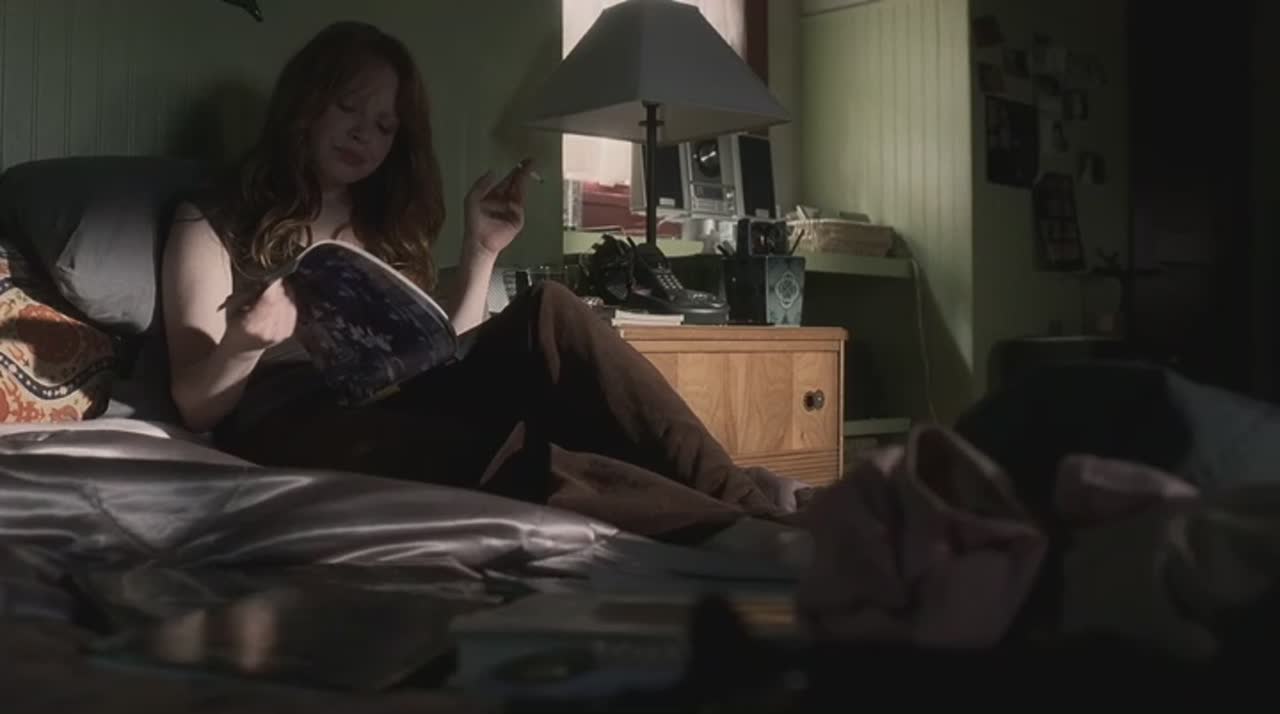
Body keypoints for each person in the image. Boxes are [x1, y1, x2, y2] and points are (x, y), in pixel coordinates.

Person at [160, 21, 794, 543]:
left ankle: (747, 505)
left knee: (551, 308)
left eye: (384, 125)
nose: (363, 133)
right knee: (498, 447)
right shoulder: (213, 219)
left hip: (402, 395)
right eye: (347, 107)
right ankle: (731, 531)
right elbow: (196, 404)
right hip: (295, 419)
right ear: (304, 106)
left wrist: (481, 250)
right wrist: (246, 342)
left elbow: (444, 352)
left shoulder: (379, 226)